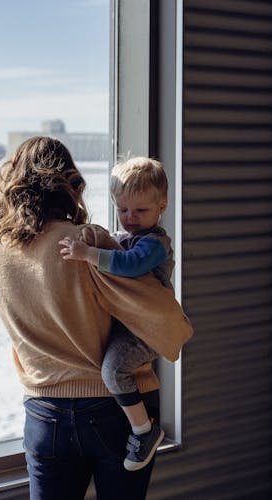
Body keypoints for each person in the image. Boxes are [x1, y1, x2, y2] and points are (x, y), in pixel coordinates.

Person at [0, 137, 192, 499]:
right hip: (114, 409)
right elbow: (159, 311)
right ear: (69, 183)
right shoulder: (87, 240)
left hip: (44, 410)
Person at [58, 157, 176, 472]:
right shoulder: (125, 238)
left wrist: (88, 254)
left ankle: (144, 430)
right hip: (131, 323)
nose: (130, 218)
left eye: (140, 211)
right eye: (122, 210)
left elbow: (129, 265)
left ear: (161, 206)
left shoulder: (154, 244)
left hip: (148, 329)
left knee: (113, 371)